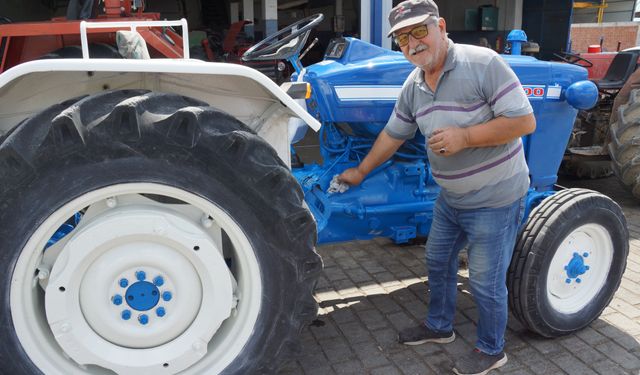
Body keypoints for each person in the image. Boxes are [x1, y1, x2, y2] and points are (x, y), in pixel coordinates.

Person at [337, 0, 536, 374]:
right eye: (401, 38)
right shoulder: (413, 85)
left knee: (484, 280)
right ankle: (439, 327)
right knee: (437, 260)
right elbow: (393, 135)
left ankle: (492, 349)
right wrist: (360, 172)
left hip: (495, 198)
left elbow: (524, 121)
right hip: (451, 198)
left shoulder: (483, 64)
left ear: (441, 27)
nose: (412, 43)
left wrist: (467, 136)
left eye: (418, 31)